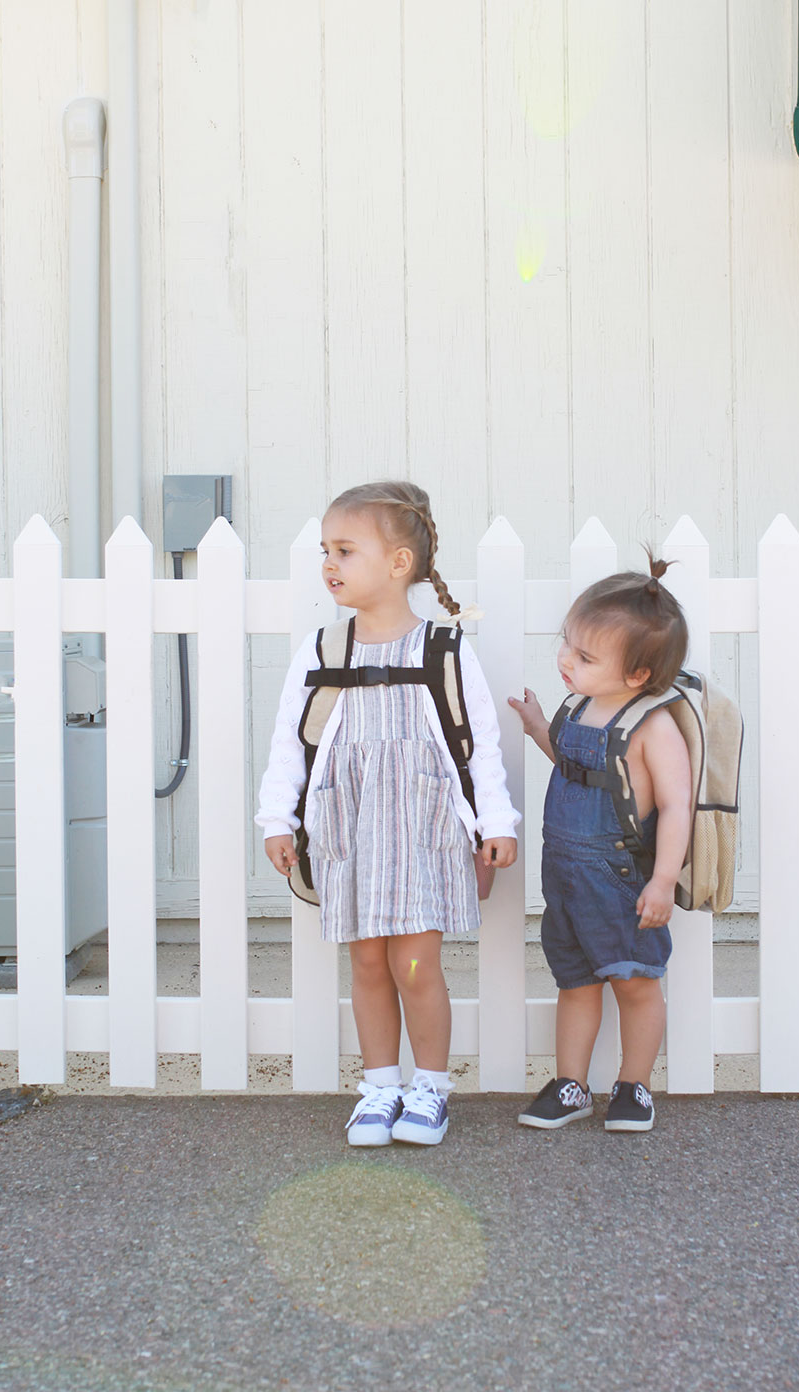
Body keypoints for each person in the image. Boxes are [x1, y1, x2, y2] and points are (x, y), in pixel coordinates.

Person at [257, 481, 519, 1147]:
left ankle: (428, 1087)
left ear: (399, 563)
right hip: (347, 827)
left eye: (345, 549)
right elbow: (291, 743)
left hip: (420, 830)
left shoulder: (444, 652)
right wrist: (276, 819)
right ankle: (379, 1087)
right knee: (367, 964)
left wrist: (497, 823)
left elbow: (478, 743)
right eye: (326, 550)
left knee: (415, 965)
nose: (329, 563)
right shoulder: (322, 652)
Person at [509, 560, 692, 1133]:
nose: (567, 660)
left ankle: (633, 1086)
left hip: (618, 879)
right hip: (564, 874)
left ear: (637, 675)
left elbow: (677, 806)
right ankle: (571, 1085)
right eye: (569, 644)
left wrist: (663, 879)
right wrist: (541, 727)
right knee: (576, 982)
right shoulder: (578, 707)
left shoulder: (653, 726)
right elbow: (571, 766)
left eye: (585, 657)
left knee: (635, 984)